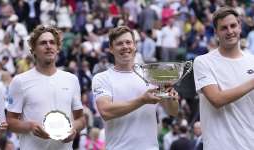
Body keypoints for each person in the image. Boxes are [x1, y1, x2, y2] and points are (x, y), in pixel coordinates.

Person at [92, 26, 179, 150]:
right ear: (111, 49)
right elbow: (106, 111)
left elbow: (173, 111)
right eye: (119, 44)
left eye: (128, 42)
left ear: (135, 46)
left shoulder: (152, 75)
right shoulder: (102, 78)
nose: (125, 46)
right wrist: (142, 100)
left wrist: (171, 98)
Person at [6, 25, 85, 150]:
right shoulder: (20, 81)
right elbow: (10, 122)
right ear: (33, 50)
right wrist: (30, 126)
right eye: (43, 43)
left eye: (52, 42)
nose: (49, 46)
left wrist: (73, 129)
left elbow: (80, 119)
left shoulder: (71, 80)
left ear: (58, 48)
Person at [193, 7, 254, 150]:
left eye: (233, 26)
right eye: (224, 28)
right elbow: (217, 99)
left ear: (240, 27)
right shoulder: (203, 61)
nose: (230, 31)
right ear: (216, 33)